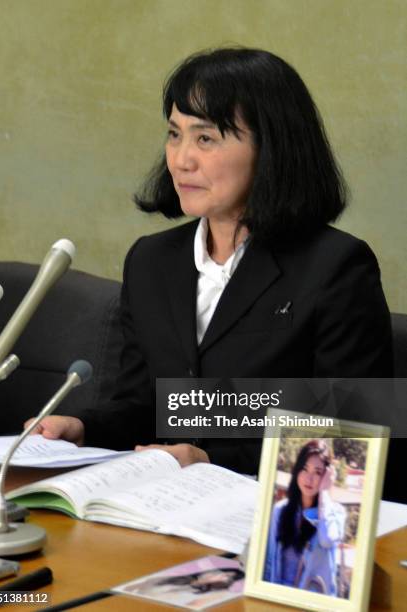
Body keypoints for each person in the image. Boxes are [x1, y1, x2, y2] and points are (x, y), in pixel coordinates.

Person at [26, 47, 393, 473]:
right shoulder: (151, 261)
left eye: (206, 138)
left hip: (274, 519)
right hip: (163, 508)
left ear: (271, 148)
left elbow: (350, 438)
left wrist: (207, 459)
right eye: (174, 134)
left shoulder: (336, 267)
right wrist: (83, 428)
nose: (181, 159)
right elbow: (148, 409)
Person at [264, 440, 346, 596]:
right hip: (279, 597)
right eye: (305, 469)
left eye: (317, 472)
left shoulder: (336, 513)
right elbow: (269, 562)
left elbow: (327, 538)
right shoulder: (280, 510)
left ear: (327, 476)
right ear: (297, 471)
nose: (309, 479)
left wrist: (325, 493)